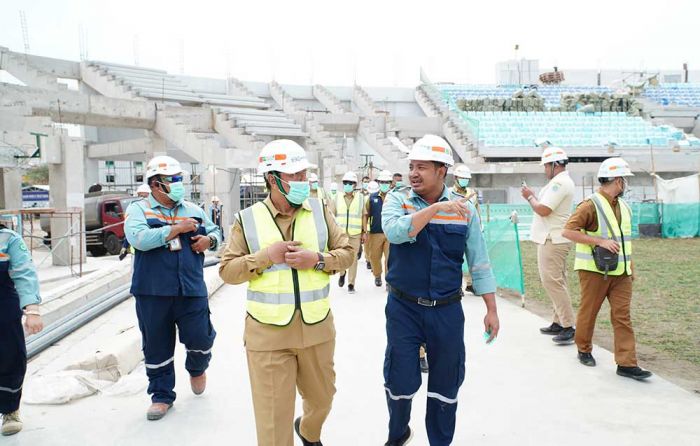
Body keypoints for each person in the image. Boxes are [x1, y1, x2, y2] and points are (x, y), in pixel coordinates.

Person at [218, 139, 354, 446]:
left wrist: (318, 260)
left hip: (317, 329)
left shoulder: (320, 210)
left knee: (323, 401)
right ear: (271, 178)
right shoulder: (248, 219)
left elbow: (348, 251)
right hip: (268, 336)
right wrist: (266, 256)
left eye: (303, 174)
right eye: (293, 176)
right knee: (273, 424)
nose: (301, 181)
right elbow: (227, 271)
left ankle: (308, 430)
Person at [381, 134, 499, 445]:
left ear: (441, 171)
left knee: (446, 386)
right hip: (403, 308)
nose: (414, 173)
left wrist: (491, 309)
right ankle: (398, 434)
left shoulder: (466, 211)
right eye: (411, 167)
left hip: (447, 311)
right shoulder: (398, 199)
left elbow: (479, 261)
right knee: (400, 379)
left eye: (422, 167)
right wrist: (435, 210)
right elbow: (394, 232)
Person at [124, 155, 222, 420]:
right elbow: (139, 239)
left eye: (180, 179)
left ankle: (197, 367)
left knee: (201, 338)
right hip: (153, 291)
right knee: (156, 345)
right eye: (173, 180)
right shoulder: (138, 210)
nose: (180, 184)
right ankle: (161, 395)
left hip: (190, 288)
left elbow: (217, 232)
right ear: (156, 184)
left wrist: (209, 240)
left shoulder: (193, 208)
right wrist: (174, 230)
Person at [562, 157, 652, 381]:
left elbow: (624, 240)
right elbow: (568, 232)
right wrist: (599, 242)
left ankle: (627, 363)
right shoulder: (590, 205)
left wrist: (629, 266)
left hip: (621, 273)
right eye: (625, 180)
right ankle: (584, 349)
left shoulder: (624, 207)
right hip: (594, 271)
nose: (625, 185)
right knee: (589, 312)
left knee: (623, 316)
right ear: (618, 181)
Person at [521, 147, 577, 345]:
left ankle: (568, 325)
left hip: (553, 239)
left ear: (554, 165)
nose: (544, 170)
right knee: (557, 281)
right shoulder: (559, 183)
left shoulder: (560, 183)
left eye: (546, 165)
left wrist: (529, 196)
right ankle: (559, 321)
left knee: (552, 282)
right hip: (552, 238)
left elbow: (543, 209)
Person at [0, 225, 43, 436]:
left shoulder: (8, 238)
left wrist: (32, 310)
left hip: (3, 305)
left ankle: (9, 409)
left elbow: (24, 273)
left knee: (10, 355)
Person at [331, 171, 364, 294]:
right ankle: (342, 273)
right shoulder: (336, 197)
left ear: (355, 185)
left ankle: (351, 283)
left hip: (355, 233)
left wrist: (364, 232)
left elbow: (363, 215)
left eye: (350, 183)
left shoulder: (360, 198)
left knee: (353, 258)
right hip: (341, 234)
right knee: (342, 256)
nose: (348, 185)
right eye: (345, 183)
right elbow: (332, 215)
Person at [451, 164, 481, 294]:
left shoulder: (472, 193)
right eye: (462, 178)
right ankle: (457, 286)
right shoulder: (449, 193)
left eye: (466, 178)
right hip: (455, 230)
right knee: (456, 260)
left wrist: (480, 226)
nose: (464, 180)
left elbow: (477, 211)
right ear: (455, 178)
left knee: (475, 258)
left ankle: (472, 284)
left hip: (471, 230)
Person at [363, 171, 392, 287]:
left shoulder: (394, 197)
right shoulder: (372, 197)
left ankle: (388, 281)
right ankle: (377, 275)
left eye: (387, 182)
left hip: (390, 233)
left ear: (390, 183)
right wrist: (365, 231)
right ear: (379, 183)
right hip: (375, 233)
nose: (385, 184)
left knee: (389, 258)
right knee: (374, 257)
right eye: (382, 182)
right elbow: (366, 215)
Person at [120, 184, 150, 261]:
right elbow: (131, 231)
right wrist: (124, 247)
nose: (142, 198)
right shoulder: (134, 209)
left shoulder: (153, 210)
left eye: (144, 196)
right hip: (136, 252)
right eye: (140, 195)